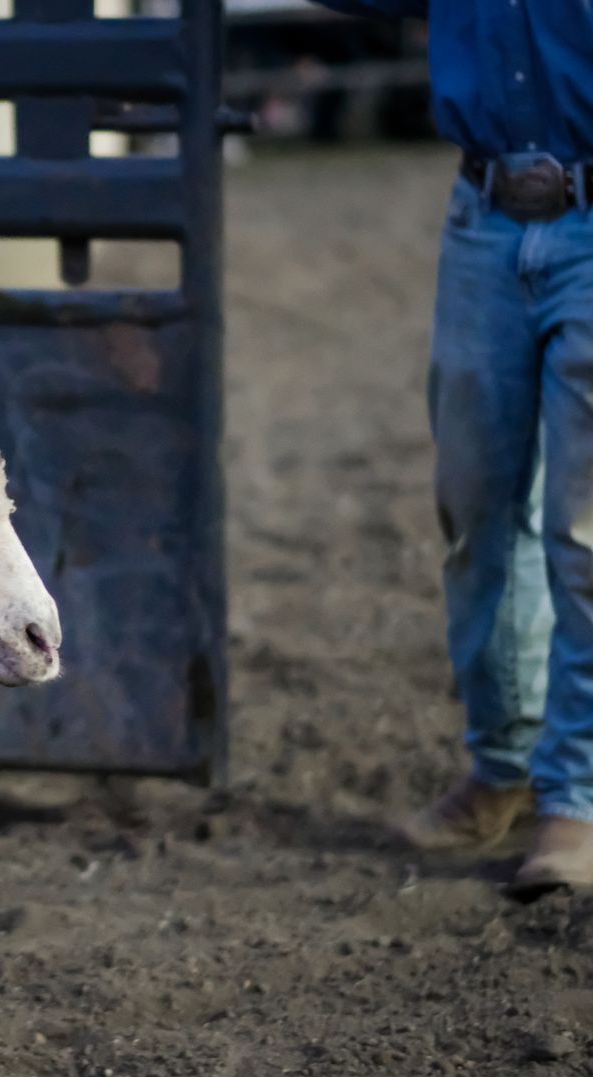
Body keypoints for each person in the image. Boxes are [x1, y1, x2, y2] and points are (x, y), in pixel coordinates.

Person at [312, 3, 593, 894]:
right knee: (476, 507)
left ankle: (575, 798)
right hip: (487, 210)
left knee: (582, 530)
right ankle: (502, 765)